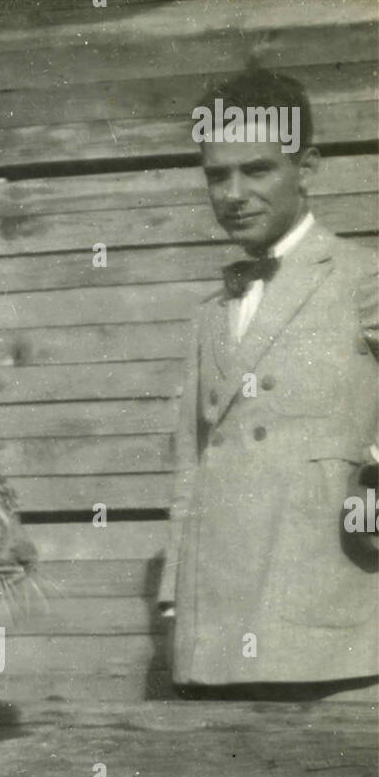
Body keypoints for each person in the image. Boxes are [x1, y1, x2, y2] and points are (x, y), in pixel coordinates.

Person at [159, 67, 378, 700]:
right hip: (218, 619)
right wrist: (176, 597)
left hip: (329, 618)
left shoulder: (362, 279)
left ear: (306, 167)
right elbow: (190, 468)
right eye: (216, 175)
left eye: (257, 170)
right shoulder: (210, 314)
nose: (233, 193)